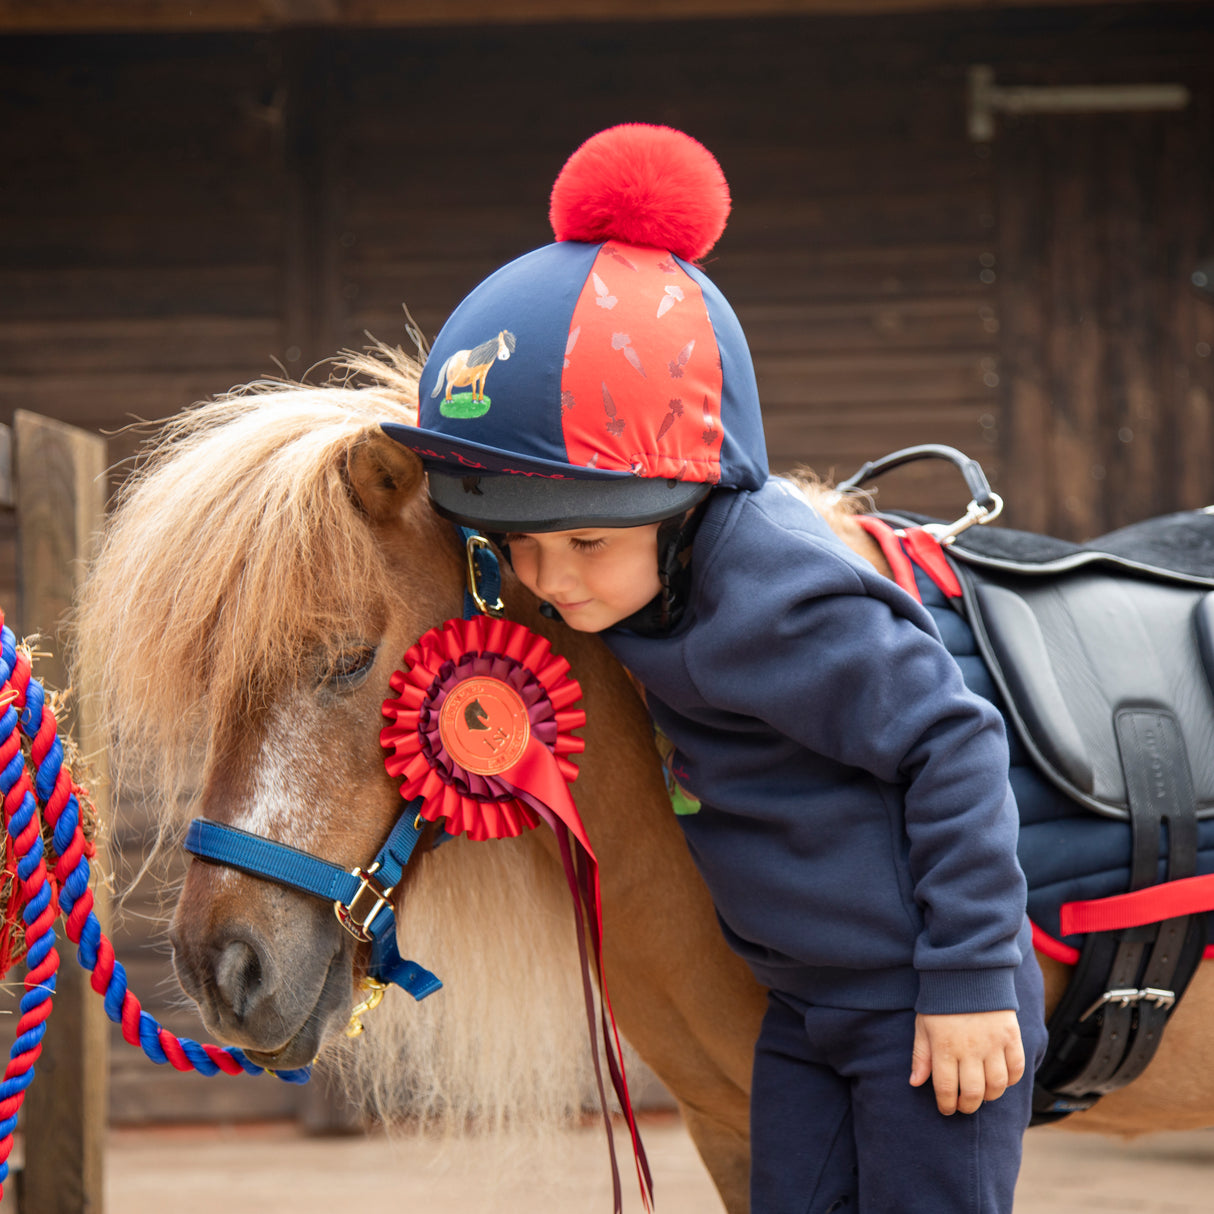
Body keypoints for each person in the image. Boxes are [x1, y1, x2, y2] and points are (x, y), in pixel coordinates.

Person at [384, 123, 1047, 1214]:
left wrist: (970, 977)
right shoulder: (631, 586)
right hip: (799, 1007)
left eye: (585, 542)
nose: (552, 582)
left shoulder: (783, 597)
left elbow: (953, 739)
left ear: (687, 499)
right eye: (520, 548)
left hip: (916, 1006)